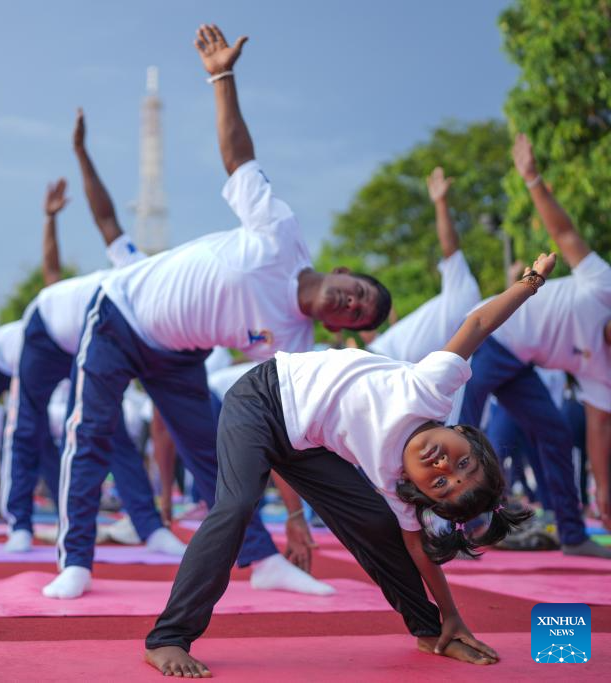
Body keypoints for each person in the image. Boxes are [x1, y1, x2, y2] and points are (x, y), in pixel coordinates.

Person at [46, 24, 391, 600]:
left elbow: (287, 437)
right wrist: (222, 76)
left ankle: (263, 559)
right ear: (342, 272)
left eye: (356, 315)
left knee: (218, 453)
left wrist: (297, 516)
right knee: (92, 431)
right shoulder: (280, 232)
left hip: (180, 356)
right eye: (356, 291)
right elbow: (238, 158)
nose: (351, 303)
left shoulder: (293, 343)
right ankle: (76, 560)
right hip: (119, 318)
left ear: (338, 328)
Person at [144, 237, 556, 676]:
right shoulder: (431, 388)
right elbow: (477, 323)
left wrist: (451, 615)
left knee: (381, 525)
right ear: (464, 435)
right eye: (462, 463)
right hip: (260, 398)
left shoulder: (394, 478)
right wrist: (530, 282)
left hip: (303, 442)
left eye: (441, 484)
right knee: (238, 505)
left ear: (417, 489)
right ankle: (169, 637)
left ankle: (431, 632)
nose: (443, 466)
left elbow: (419, 549)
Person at [3, 110, 180, 561]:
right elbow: (103, 217)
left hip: (92, 347)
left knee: (112, 428)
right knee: (27, 424)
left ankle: (150, 527)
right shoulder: (134, 268)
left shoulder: (160, 321)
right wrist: (80, 154)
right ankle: (20, 524)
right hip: (47, 332)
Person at [458, 134, 611, 558]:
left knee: (556, 434)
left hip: (520, 362)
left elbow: (599, 431)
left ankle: (573, 535)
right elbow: (563, 232)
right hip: (491, 335)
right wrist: (531, 178)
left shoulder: (604, 371)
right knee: (465, 433)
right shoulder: (603, 285)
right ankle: (459, 527)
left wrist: (605, 493)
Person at [0, 179, 69, 528]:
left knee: (41, 435)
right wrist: (50, 219)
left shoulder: (72, 346)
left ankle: (65, 508)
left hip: (21, 368)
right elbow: (52, 274)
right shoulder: (49, 323)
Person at [368, 167, 481, 366]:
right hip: (383, 355)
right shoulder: (465, 294)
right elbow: (450, 249)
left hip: (399, 366)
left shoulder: (476, 349)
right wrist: (441, 203)